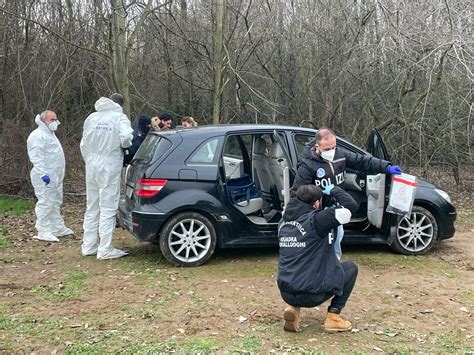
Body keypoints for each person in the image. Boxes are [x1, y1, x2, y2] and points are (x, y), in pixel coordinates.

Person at [291, 127, 403, 259]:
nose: (331, 152)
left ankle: (335, 266)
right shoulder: (308, 165)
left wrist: (386, 167)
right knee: (322, 243)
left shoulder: (340, 154)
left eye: (333, 147)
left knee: (337, 239)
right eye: (327, 149)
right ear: (317, 146)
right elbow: (298, 192)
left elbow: (362, 161)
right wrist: (296, 215)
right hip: (319, 212)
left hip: (337, 207)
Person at [278, 184, 358, 333]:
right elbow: (351, 206)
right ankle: (333, 317)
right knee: (350, 268)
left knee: (301, 265)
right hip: (311, 295)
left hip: (286, 292)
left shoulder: (283, 222)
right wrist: (334, 190)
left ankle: (293, 310)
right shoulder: (319, 220)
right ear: (316, 203)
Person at [80, 93, 133, 260]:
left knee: (92, 205)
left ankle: (88, 245)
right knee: (108, 206)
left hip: (91, 163)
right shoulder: (119, 118)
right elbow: (126, 138)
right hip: (109, 162)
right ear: (120, 105)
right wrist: (123, 147)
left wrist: (89, 159)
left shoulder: (92, 118)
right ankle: (105, 248)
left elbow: (83, 143)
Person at [27, 111, 74, 242]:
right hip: (45, 176)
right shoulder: (38, 135)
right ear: (44, 121)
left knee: (55, 202)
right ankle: (43, 230)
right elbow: (36, 157)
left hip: (55, 176)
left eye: (56, 119)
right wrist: (43, 174)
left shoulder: (50, 134)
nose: (55, 122)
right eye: (52, 119)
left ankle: (56, 227)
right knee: (46, 202)